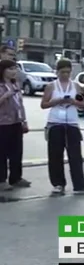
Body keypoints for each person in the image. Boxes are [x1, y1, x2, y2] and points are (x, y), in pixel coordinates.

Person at [40, 58, 84, 195]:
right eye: (63, 72)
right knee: (55, 155)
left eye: (68, 72)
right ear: (57, 72)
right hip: (55, 122)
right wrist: (57, 101)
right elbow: (43, 104)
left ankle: (79, 184)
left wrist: (73, 102)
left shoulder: (75, 86)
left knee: (75, 155)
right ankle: (58, 183)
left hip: (71, 123)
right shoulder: (51, 86)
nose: (65, 75)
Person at [0, 60, 30, 191]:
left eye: (15, 69)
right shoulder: (1, 86)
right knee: (2, 153)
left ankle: (16, 177)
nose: (14, 72)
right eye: (10, 69)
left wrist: (24, 121)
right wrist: (6, 95)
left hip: (16, 122)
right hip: (3, 123)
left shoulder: (16, 84)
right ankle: (1, 180)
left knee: (17, 152)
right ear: (3, 70)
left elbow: (20, 104)